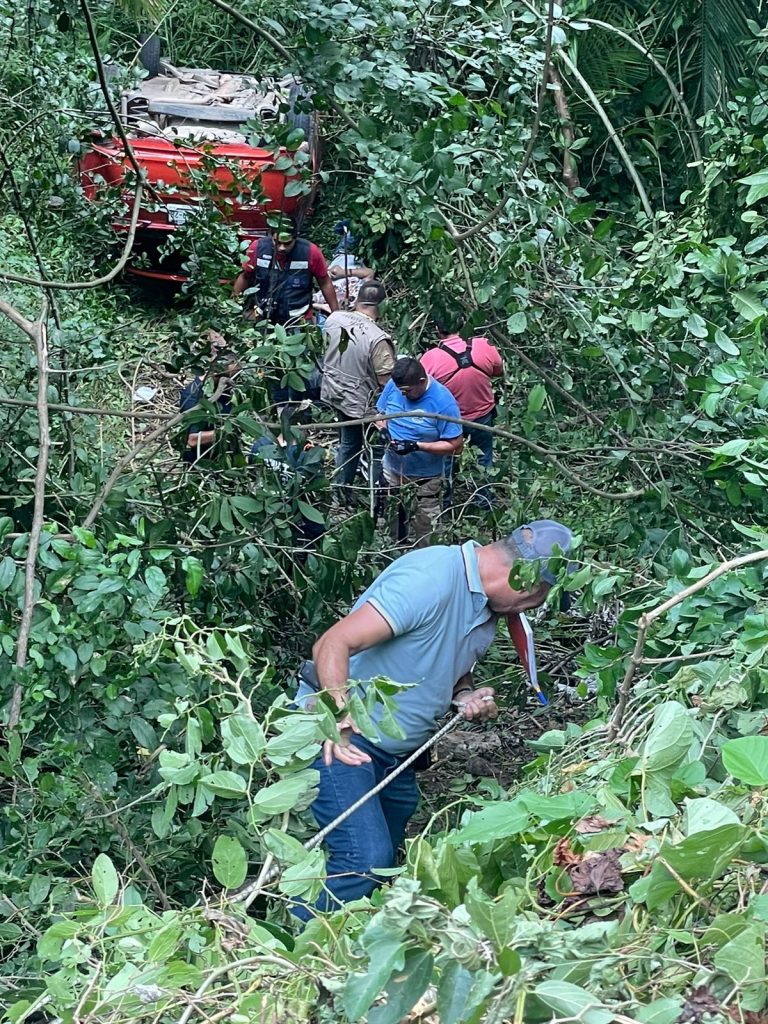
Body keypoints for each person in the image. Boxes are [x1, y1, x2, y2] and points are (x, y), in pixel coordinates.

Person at [291, 519, 574, 921]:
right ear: (523, 579)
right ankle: (291, 954)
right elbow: (333, 642)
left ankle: (346, 946)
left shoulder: (486, 607)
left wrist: (464, 694)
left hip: (396, 756)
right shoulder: (432, 579)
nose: (537, 606)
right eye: (541, 594)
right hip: (343, 740)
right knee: (364, 860)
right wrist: (337, 717)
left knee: (387, 866)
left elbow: (451, 665)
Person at [233, 215, 338, 407]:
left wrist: (337, 314)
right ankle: (278, 407)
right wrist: (233, 308)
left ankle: (303, 406)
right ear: (270, 236)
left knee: (302, 368)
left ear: (295, 238)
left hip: (299, 322)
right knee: (271, 367)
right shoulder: (257, 249)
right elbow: (245, 277)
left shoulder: (310, 252)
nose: (281, 248)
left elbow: (324, 282)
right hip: (266, 322)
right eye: (277, 243)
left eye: (287, 244)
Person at [320, 280, 395, 507]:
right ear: (382, 305)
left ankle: (343, 488)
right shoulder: (377, 338)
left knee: (346, 441)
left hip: (333, 389)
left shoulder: (334, 319)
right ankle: (351, 494)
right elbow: (386, 382)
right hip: (359, 401)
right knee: (365, 446)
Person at [376, 357, 463, 546]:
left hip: (425, 478)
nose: (404, 395)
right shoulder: (394, 385)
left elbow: (456, 446)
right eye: (401, 391)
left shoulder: (443, 402)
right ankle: (392, 551)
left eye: (408, 391)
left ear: (421, 382)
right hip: (392, 470)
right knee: (391, 518)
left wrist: (417, 446)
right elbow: (380, 414)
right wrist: (383, 430)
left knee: (426, 527)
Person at [420, 316, 503, 507]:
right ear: (464, 325)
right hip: (482, 415)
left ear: (437, 330)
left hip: (449, 421)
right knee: (484, 459)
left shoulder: (430, 358)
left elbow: (422, 390)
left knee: (446, 463)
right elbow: (498, 370)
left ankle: (445, 505)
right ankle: (483, 502)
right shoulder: (484, 345)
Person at [179, 335, 240, 465]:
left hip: (225, 456)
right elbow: (192, 439)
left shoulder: (229, 390)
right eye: (228, 378)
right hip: (200, 462)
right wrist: (227, 431)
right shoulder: (193, 394)